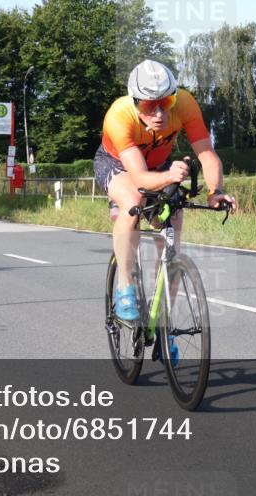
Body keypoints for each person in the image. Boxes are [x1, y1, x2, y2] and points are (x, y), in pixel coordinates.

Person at [94, 59, 236, 325]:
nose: (159, 113)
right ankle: (125, 288)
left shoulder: (185, 103)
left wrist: (215, 191)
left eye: (166, 103)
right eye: (149, 105)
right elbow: (138, 178)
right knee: (134, 201)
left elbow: (206, 153)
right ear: (135, 102)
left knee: (174, 216)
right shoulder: (118, 116)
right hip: (117, 164)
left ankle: (163, 319)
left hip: (157, 165)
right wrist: (170, 176)